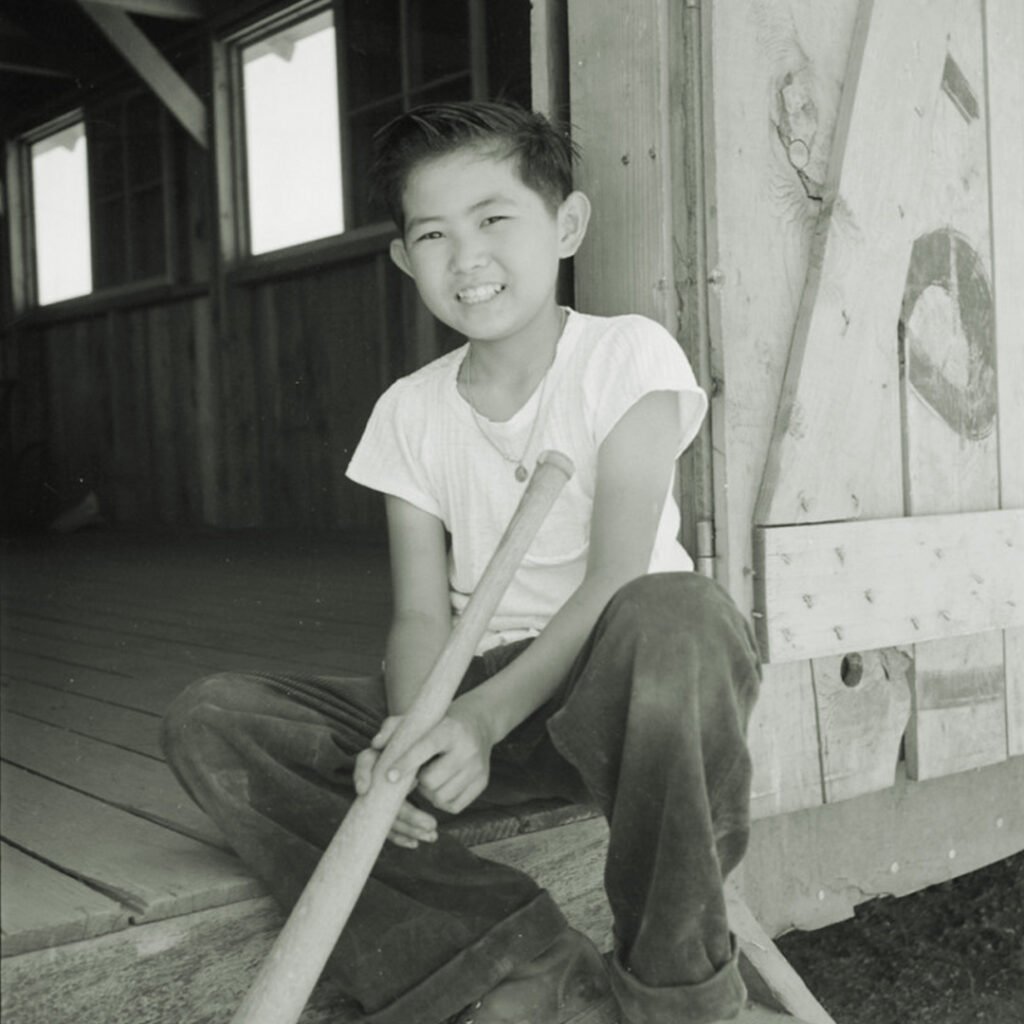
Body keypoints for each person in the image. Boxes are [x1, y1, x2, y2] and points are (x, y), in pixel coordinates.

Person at [162, 101, 761, 1024]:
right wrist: (412, 733)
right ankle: (519, 968)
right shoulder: (409, 410)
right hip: (477, 698)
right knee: (214, 718)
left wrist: (480, 719)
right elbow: (418, 617)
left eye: (494, 220)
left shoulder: (624, 355)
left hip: (627, 695)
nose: (466, 257)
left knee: (679, 611)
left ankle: (677, 998)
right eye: (433, 234)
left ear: (566, 224)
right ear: (406, 259)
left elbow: (614, 582)